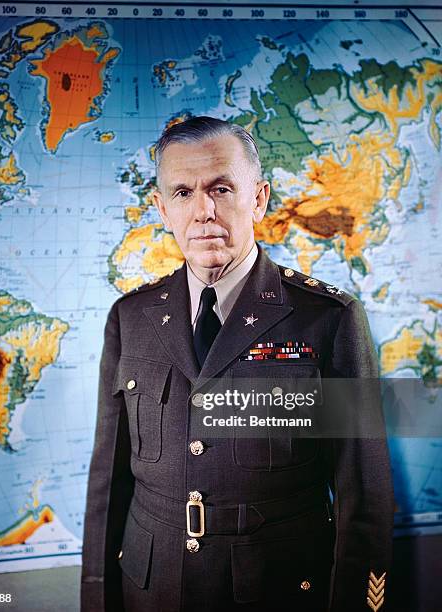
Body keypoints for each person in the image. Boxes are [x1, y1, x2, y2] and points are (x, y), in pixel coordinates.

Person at [80, 116, 394, 612]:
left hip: (279, 590)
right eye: (183, 193)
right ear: (161, 208)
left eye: (221, 188)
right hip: (151, 589)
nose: (203, 210)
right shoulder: (130, 318)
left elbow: (365, 496)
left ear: (259, 198)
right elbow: (109, 483)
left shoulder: (327, 320)